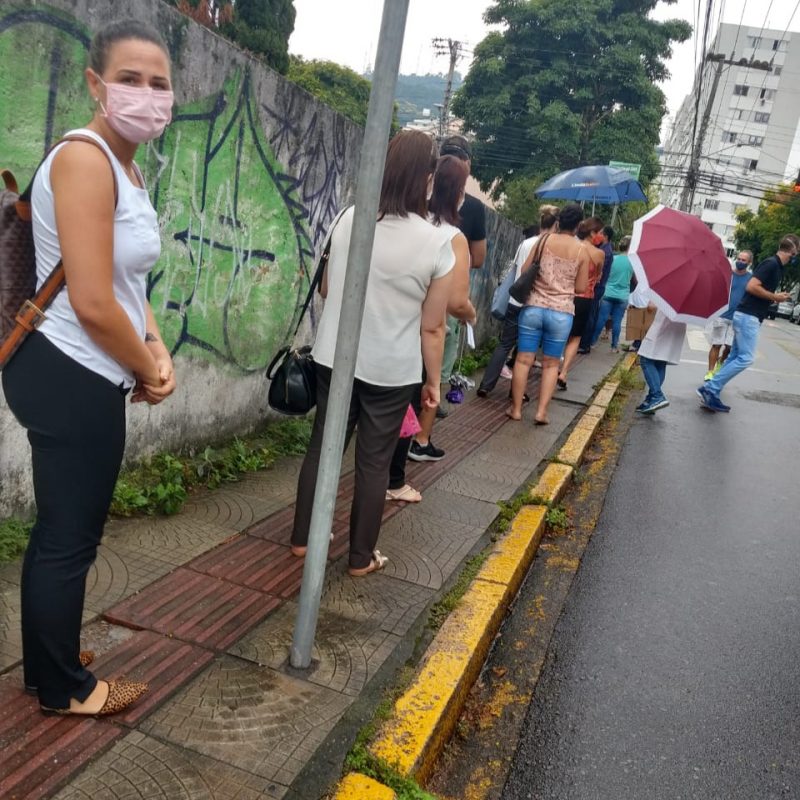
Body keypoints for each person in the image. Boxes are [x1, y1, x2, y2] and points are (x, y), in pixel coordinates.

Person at [1, 19, 176, 716]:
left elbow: (128, 287)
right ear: (95, 84)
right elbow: (95, 303)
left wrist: (154, 345)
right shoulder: (84, 160)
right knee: (70, 537)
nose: (146, 95)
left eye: (159, 83)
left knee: (61, 531)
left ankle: (48, 665)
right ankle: (66, 689)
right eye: (129, 79)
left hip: (88, 366)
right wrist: (146, 369)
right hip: (69, 368)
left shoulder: (127, 168)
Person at [291, 131, 453, 575]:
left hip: (334, 357)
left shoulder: (348, 218)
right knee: (374, 462)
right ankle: (360, 557)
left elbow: (327, 288)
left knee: (323, 447)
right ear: (427, 178)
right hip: (392, 369)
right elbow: (433, 326)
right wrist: (433, 383)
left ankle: (303, 539)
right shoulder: (436, 243)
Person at [394, 155, 474, 490]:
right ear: (457, 192)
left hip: (393, 325)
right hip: (425, 330)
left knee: (390, 404)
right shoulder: (453, 237)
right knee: (419, 396)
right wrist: (470, 313)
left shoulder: (407, 221)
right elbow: (455, 301)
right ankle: (398, 472)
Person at [507, 203, 590, 424]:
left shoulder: (543, 240)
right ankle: (541, 413)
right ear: (578, 225)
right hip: (561, 313)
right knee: (552, 364)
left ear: (559, 221)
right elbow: (581, 287)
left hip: (533, 308)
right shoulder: (582, 250)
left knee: (523, 360)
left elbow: (524, 270)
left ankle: (516, 409)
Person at [697, 235, 798, 413]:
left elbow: (757, 288)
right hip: (748, 316)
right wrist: (774, 296)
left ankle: (712, 391)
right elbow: (751, 286)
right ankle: (710, 388)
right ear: (793, 250)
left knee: (735, 356)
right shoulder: (771, 264)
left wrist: (775, 297)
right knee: (746, 358)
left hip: (747, 315)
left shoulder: (776, 266)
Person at [477, 208, 559, 398]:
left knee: (505, 344)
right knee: (526, 351)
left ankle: (486, 385)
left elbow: (516, 269)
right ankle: (517, 393)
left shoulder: (525, 243)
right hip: (534, 303)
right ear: (555, 225)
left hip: (515, 300)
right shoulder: (549, 246)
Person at [436, 135, 487, 417]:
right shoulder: (474, 208)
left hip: (415, 285)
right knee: (440, 349)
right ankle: (426, 416)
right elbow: (478, 259)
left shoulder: (419, 196)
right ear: (468, 165)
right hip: (450, 292)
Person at [556, 217, 604, 391]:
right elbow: (598, 277)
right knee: (575, 337)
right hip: (585, 298)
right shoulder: (599, 254)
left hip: (566, 294)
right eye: (600, 232)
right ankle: (564, 372)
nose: (601, 236)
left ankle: (553, 367)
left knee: (559, 334)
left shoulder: (572, 247)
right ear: (592, 233)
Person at [703, 251, 753, 381]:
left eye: (743, 260)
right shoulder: (728, 274)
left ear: (749, 263)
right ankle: (710, 372)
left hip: (738, 318)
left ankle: (721, 362)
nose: (740, 262)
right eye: (739, 259)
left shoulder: (750, 279)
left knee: (729, 347)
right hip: (722, 315)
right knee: (716, 344)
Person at [590, 235, 634, 352]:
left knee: (601, 318)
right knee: (617, 321)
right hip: (623, 295)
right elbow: (634, 280)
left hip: (608, 292)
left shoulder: (613, 259)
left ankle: (593, 342)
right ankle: (614, 346)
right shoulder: (633, 262)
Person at [636, 309, 686, 413]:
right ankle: (651, 400)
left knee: (646, 359)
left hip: (664, 325)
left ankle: (657, 396)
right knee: (660, 361)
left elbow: (651, 306)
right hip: (678, 325)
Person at [578, 225, 614, 353]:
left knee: (590, 315)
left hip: (596, 287)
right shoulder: (603, 249)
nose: (597, 236)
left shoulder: (605, 252)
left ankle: (585, 343)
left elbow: (599, 272)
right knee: (590, 314)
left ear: (605, 236)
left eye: (600, 233)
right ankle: (585, 342)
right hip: (595, 287)